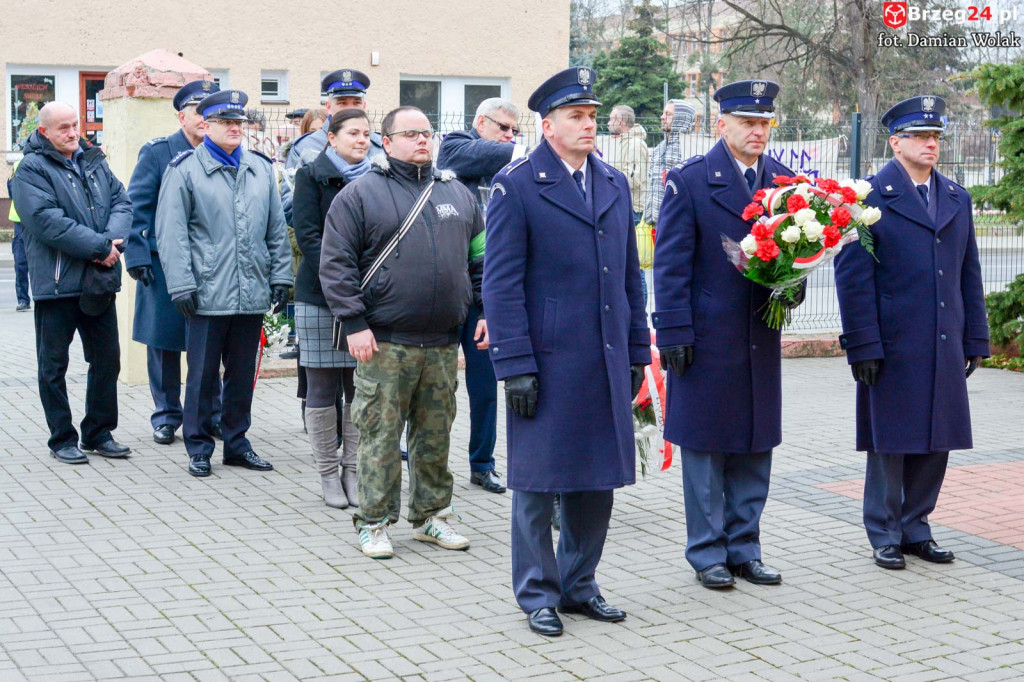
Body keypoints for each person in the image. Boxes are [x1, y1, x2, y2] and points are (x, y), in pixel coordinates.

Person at [483, 67, 650, 637]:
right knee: (538, 481)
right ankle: (537, 593)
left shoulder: (613, 182)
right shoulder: (517, 185)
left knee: (595, 478)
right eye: (576, 116)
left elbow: (629, 276)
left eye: (592, 116)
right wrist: (514, 364)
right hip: (547, 359)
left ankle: (580, 584)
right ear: (548, 125)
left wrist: (637, 349)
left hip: (604, 355)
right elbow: (501, 283)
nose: (588, 125)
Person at [320, 105, 485, 560]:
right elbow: (336, 264)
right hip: (384, 341)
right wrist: (354, 322)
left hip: (442, 342)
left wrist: (485, 310)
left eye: (427, 133)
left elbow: (481, 259)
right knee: (379, 436)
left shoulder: (458, 195)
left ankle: (432, 515)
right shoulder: (359, 195)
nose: (422, 140)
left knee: (435, 436)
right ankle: (374, 521)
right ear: (387, 142)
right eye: (410, 134)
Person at [834, 95, 989, 570]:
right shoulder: (867, 199)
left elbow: (968, 272)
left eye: (935, 136)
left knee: (937, 437)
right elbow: (853, 279)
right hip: (892, 342)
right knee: (891, 441)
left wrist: (975, 338)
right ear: (895, 143)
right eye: (920, 136)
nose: (930, 144)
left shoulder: (956, 197)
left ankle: (916, 526)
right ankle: (884, 532)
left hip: (943, 337)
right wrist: (862, 342)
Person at [653, 80, 795, 590]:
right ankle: (708, 551)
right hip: (706, 337)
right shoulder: (690, 180)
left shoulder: (785, 184)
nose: (758, 131)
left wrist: (792, 284)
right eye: (748, 122)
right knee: (707, 448)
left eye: (765, 123)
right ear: (722, 125)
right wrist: (673, 331)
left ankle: (745, 547)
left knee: (756, 443)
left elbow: (795, 254)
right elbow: (671, 264)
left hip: (759, 334)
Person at [155, 89, 293, 478]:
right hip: (206, 292)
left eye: (239, 122)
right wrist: (181, 284)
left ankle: (237, 444)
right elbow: (171, 233)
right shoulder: (184, 170)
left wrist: (281, 276)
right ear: (207, 125)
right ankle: (199, 447)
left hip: (251, 291)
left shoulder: (260, 168)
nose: (235, 128)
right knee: (201, 377)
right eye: (226, 122)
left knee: (241, 376)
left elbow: (276, 229)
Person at [10, 101, 132, 464]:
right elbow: (45, 220)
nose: (72, 132)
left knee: (107, 360)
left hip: (98, 281)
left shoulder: (94, 160)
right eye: (63, 127)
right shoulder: (31, 169)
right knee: (53, 367)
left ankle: (98, 432)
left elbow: (122, 203)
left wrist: (110, 244)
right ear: (44, 132)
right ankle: (62, 438)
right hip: (57, 284)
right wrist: (100, 247)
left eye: (75, 124)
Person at [124, 79, 222, 446]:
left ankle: (211, 414)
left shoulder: (222, 152)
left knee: (209, 344)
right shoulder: (158, 152)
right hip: (162, 263)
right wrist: (136, 254)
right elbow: (137, 207)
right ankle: (166, 415)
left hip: (211, 265)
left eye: (211, 112)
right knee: (163, 342)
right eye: (198, 111)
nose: (205, 118)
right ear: (182, 116)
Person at [437, 97, 528, 495]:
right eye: (502, 127)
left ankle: (482, 464)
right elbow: (467, 155)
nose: (509, 136)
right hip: (446, 289)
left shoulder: (513, 169)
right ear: (480, 122)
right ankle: (422, 457)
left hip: (487, 293)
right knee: (433, 386)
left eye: (515, 131)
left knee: (485, 388)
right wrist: (526, 149)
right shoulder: (455, 145)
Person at [292, 109, 374, 508]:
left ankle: (352, 471)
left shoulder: (378, 178)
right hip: (319, 295)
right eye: (353, 133)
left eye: (367, 134)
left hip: (367, 298)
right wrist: (341, 278)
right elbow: (308, 236)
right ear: (331, 138)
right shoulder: (311, 175)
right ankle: (327, 473)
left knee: (360, 387)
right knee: (322, 386)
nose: (362, 140)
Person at [281, 69, 383, 224]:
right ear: (328, 106)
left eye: (356, 102)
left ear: (364, 105)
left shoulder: (380, 145)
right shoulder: (304, 147)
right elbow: (291, 208)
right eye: (342, 103)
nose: (350, 108)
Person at [643, 99, 696, 225]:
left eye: (668, 114)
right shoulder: (659, 148)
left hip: (678, 221)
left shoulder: (688, 149)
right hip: (656, 221)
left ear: (681, 118)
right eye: (663, 113)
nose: (662, 117)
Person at [605, 104, 649, 225]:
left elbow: (633, 179)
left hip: (632, 207)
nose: (608, 123)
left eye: (611, 119)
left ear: (620, 123)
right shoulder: (623, 142)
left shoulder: (635, 144)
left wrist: (606, 179)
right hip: (622, 203)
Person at [7, 160, 31, 311]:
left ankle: (42, 299)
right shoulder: (17, 165)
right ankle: (23, 299)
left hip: (36, 220)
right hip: (20, 222)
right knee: (20, 263)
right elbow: (12, 192)